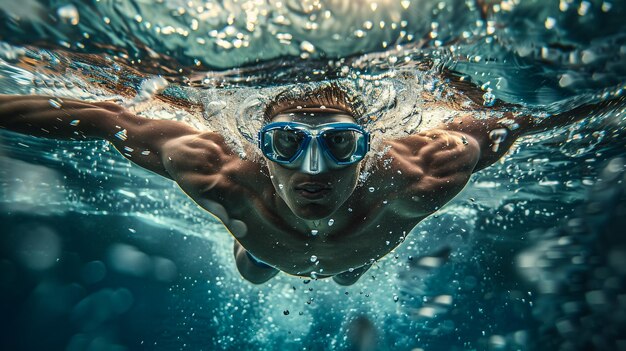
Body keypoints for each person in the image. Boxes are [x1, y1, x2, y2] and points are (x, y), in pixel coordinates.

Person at [0, 75, 620, 285]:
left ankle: (341, 265)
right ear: (259, 149)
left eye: (341, 144)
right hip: (264, 242)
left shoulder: (422, 173)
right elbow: (102, 115)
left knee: (350, 269)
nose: (313, 169)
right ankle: (261, 255)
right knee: (255, 263)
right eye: (288, 144)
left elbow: (525, 120)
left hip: (357, 246)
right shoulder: (216, 172)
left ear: (367, 146)